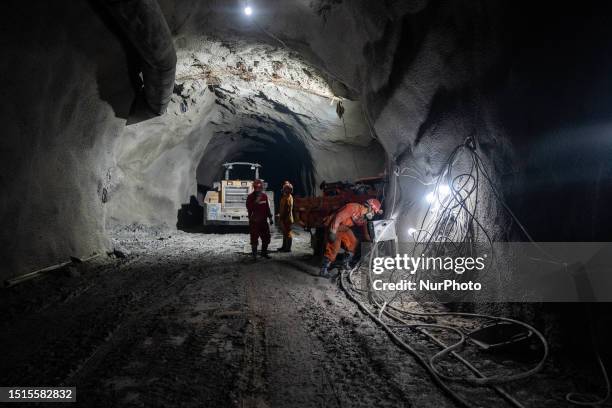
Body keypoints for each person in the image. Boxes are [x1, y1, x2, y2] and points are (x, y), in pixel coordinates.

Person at [320, 198, 383, 278]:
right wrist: (332, 231)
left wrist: (371, 241)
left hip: (343, 227)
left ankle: (345, 264)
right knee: (335, 246)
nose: (373, 214)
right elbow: (338, 217)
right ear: (370, 207)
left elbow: (366, 232)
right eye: (374, 211)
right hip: (333, 224)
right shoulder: (353, 207)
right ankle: (323, 269)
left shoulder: (364, 218)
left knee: (353, 242)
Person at [246, 179, 274, 260]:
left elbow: (267, 208)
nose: (258, 190)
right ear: (254, 188)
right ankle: (254, 256)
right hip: (254, 222)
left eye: (259, 188)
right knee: (254, 239)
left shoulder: (264, 196)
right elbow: (249, 208)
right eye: (256, 188)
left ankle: (264, 253)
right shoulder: (250, 197)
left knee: (266, 237)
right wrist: (256, 202)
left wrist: (270, 218)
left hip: (263, 222)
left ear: (261, 188)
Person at [277, 181, 294, 252]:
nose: (283, 189)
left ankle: (288, 248)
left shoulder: (288, 198)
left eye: (285, 188)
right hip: (285, 218)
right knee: (285, 233)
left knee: (288, 233)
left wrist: (280, 217)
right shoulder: (286, 197)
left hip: (287, 219)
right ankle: (284, 247)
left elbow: (286, 210)